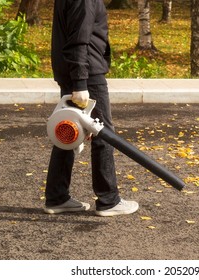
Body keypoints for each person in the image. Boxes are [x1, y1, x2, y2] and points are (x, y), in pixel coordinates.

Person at [44, 0, 139, 217]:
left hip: (75, 72)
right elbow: (78, 40)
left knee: (67, 131)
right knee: (103, 134)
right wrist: (80, 84)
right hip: (86, 75)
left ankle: (57, 197)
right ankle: (109, 200)